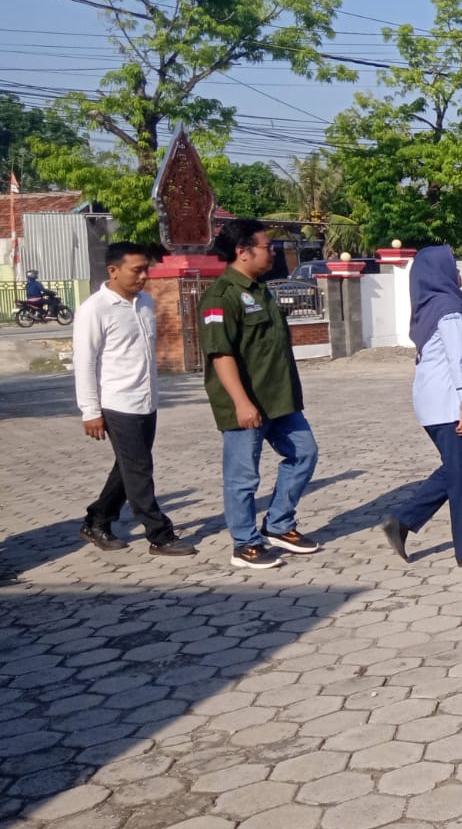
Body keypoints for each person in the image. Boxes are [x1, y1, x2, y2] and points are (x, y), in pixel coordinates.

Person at [200, 218, 321, 569]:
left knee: (304, 453)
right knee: (243, 477)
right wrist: (241, 402)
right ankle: (244, 543)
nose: (274, 253)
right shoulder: (221, 296)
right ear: (243, 251)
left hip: (279, 400)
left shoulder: (260, 289)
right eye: (268, 247)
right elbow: (221, 354)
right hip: (246, 404)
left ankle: (279, 524)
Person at [379, 247, 462, 567]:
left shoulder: (429, 307)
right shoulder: (449, 310)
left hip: (431, 401)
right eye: (454, 267)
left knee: (458, 471)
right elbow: (458, 361)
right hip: (449, 402)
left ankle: (405, 522)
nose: (458, 273)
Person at [72, 242, 196, 556]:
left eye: (146, 270)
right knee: (140, 469)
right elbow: (84, 363)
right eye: (136, 270)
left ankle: (97, 520)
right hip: (116, 403)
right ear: (113, 271)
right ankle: (159, 534)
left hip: (146, 400)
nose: (143, 276)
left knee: (128, 467)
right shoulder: (95, 309)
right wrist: (90, 411)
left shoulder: (145, 302)